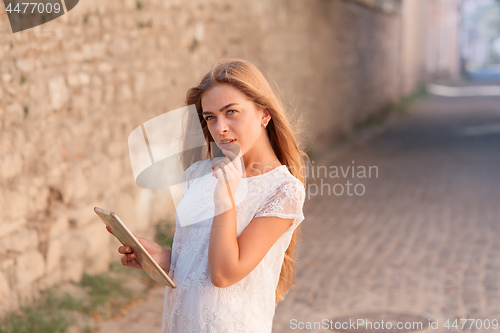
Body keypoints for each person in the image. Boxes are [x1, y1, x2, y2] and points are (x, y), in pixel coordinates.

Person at [113, 58, 310, 332]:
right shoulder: (197, 174)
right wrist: (164, 258)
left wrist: (226, 199)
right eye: (210, 117)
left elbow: (224, 273)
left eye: (231, 112)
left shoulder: (283, 190)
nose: (220, 128)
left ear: (264, 115)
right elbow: (199, 263)